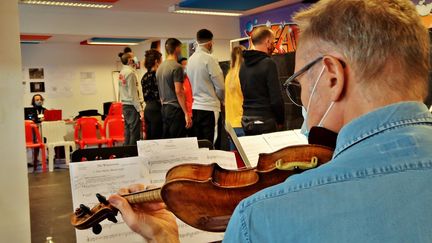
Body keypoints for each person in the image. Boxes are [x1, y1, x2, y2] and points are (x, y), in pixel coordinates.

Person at [108, 0, 432, 242]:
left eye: (301, 84)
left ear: (332, 76)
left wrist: (165, 238)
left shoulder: (263, 218)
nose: (302, 98)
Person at [240, 26, 285, 135]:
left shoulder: (243, 65)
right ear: (268, 41)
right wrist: (280, 120)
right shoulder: (268, 63)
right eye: (273, 41)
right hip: (265, 120)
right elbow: (276, 98)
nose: (273, 45)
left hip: (246, 120)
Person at [187, 29, 225, 144]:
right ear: (210, 42)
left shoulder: (190, 59)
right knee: (211, 144)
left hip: (196, 108)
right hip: (210, 107)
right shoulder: (210, 58)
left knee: (200, 144)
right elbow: (221, 87)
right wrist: (222, 100)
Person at [157, 38, 192, 138]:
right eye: (180, 47)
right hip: (175, 109)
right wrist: (186, 113)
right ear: (177, 48)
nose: (180, 50)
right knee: (178, 142)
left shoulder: (160, 67)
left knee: (168, 142)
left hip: (164, 108)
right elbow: (179, 91)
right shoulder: (177, 67)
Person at [118, 51, 143, 145]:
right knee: (134, 131)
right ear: (129, 60)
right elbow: (133, 93)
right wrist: (140, 109)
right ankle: (132, 152)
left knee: (128, 129)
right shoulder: (130, 73)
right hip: (132, 106)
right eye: (133, 57)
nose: (135, 58)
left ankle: (126, 152)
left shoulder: (122, 72)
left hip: (125, 105)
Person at [225, 46, 246, 150]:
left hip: (230, 124)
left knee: (235, 161)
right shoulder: (243, 75)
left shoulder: (228, 76)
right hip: (243, 122)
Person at [141, 49, 163, 140]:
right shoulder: (157, 75)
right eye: (161, 61)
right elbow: (158, 95)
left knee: (149, 137)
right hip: (156, 109)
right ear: (156, 61)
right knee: (157, 138)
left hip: (148, 109)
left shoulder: (144, 76)